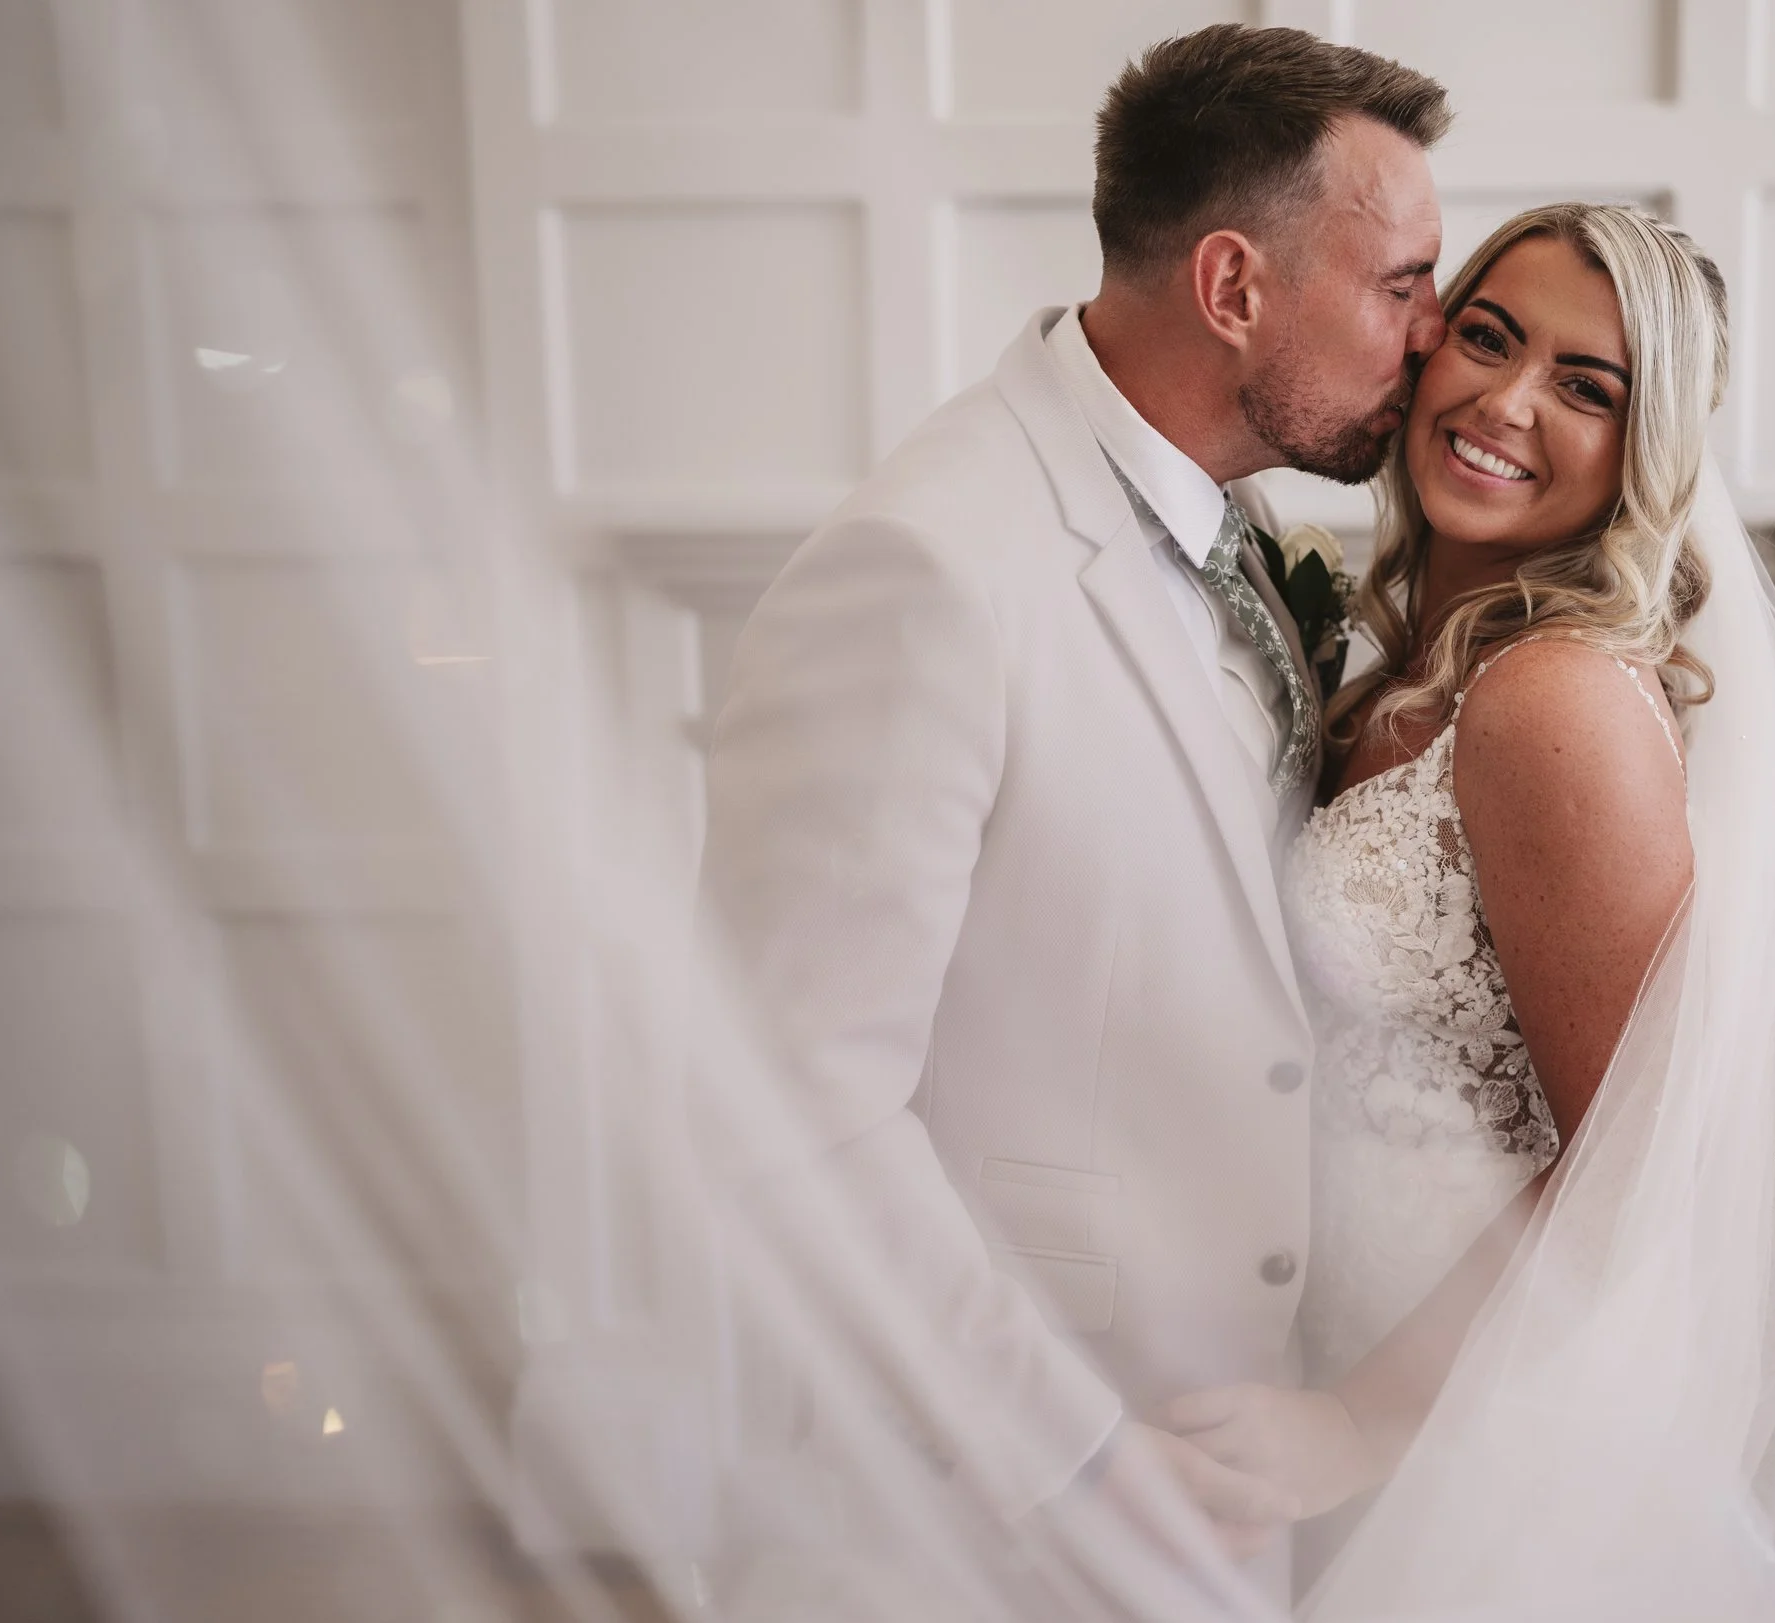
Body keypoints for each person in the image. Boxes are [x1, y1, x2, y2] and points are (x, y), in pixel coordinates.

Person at [694, 23, 1450, 1601]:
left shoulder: (1232, 521)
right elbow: (788, 1103)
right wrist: (1084, 1455)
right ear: (1233, 287)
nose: (1433, 337)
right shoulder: (926, 568)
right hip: (982, 1518)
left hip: (1230, 1478)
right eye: (1402, 283)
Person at [1160, 205, 1775, 1619]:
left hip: (1478, 1427)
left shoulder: (1551, 702)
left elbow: (1640, 1152)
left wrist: (1358, 1423)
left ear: (1641, 451)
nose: (1506, 401)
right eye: (1488, 338)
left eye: (1586, 387)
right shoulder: (1397, 671)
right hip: (1330, 1354)